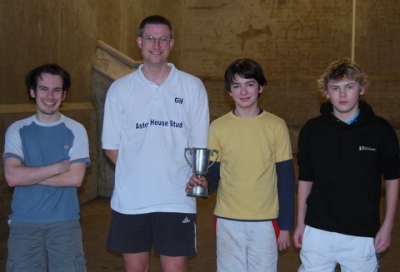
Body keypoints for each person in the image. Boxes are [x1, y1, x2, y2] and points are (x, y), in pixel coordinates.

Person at [101, 15, 209, 272]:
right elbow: (110, 145)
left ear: (172, 43)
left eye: (163, 38)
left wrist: (189, 174)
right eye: (150, 38)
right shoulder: (120, 89)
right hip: (131, 201)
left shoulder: (192, 87)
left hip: (176, 198)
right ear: (139, 41)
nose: (156, 44)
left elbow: (199, 144)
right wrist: (136, 170)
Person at [186, 58, 296, 272]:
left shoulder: (276, 125)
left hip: (265, 221)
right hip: (228, 220)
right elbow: (215, 171)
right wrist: (204, 181)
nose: (243, 91)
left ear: (261, 87)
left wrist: (285, 226)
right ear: (229, 91)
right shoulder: (217, 127)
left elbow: (285, 178)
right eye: (236, 86)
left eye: (250, 84)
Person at [293, 58, 400, 271]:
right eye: (335, 88)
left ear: (361, 88)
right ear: (326, 92)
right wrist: (300, 223)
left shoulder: (381, 130)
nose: (342, 95)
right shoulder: (312, 130)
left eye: (349, 87)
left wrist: (387, 226)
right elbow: (306, 179)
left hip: (361, 234)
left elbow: (393, 178)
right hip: (317, 231)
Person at [3, 63, 90, 272]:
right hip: (24, 225)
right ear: (32, 92)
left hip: (65, 224)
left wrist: (28, 173)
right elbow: (12, 177)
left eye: (56, 89)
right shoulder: (17, 130)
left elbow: (75, 179)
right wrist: (59, 167)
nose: (50, 96)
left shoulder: (76, 130)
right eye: (43, 89)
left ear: (64, 94)